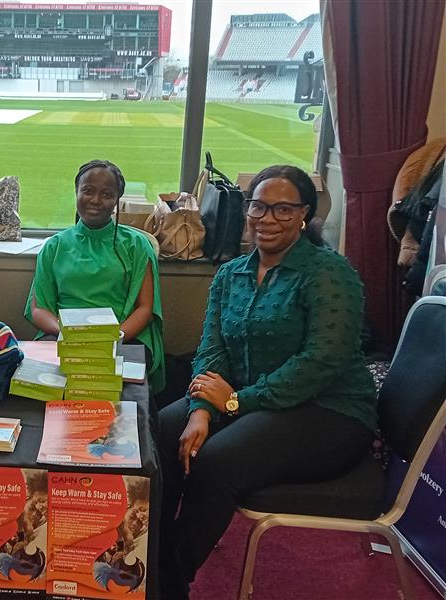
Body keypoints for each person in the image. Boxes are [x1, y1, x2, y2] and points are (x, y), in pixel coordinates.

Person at [157, 165, 377, 599]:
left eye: (283, 208)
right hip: (246, 400)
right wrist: (202, 408)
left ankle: (168, 578)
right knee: (163, 430)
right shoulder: (231, 274)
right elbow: (211, 349)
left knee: (218, 460)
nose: (267, 217)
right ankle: (149, 551)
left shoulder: (329, 273)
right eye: (259, 206)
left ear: (304, 215)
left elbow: (320, 363)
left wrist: (236, 402)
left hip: (328, 412)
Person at [25, 160, 165, 391]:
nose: (96, 200)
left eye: (106, 194)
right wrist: (68, 334)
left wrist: (113, 337)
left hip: (123, 337)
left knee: (115, 394)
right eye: (88, 191)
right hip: (63, 336)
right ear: (76, 192)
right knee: (48, 388)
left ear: (116, 200)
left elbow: (145, 309)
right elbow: (39, 308)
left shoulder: (137, 245)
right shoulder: (55, 246)